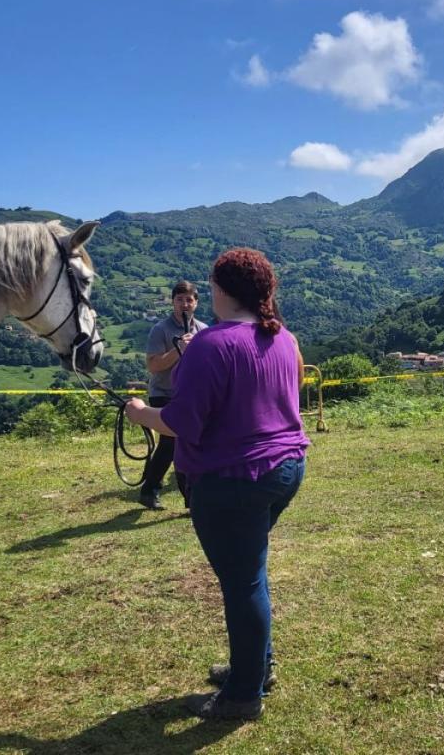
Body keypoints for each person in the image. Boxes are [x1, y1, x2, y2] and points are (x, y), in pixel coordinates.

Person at [125, 248, 309, 721]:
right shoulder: (283, 338)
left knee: (242, 581)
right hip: (285, 467)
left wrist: (141, 413)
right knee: (251, 571)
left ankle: (244, 695)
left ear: (222, 290)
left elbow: (184, 421)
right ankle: (255, 668)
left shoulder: (212, 344)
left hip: (232, 479)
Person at [138, 280, 209, 510]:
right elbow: (153, 365)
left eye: (189, 300)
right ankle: (157, 491)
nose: (185, 304)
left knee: (185, 443)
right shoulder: (161, 330)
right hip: (164, 392)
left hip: (191, 394)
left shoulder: (203, 330)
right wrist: (179, 350)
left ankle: (184, 495)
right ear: (173, 302)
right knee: (171, 442)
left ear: (196, 303)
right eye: (180, 300)